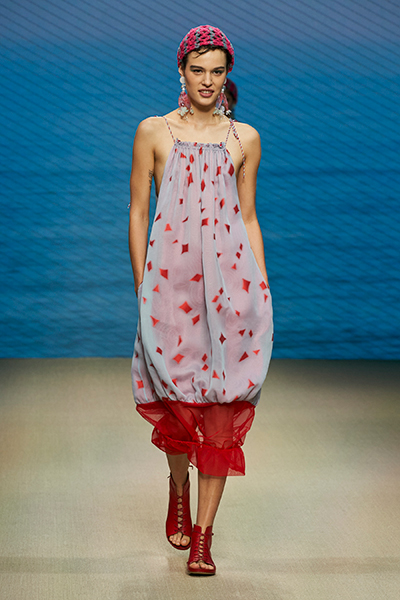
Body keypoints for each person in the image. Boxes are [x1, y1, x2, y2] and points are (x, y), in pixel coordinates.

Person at [129, 25, 273, 576]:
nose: (208, 81)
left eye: (217, 71)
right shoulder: (154, 131)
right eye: (198, 70)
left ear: (227, 73)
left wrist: (262, 289)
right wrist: (142, 286)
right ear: (181, 71)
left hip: (233, 291)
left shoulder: (245, 139)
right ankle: (177, 489)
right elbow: (138, 213)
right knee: (175, 404)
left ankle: (204, 539)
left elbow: (248, 217)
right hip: (170, 292)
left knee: (220, 411)